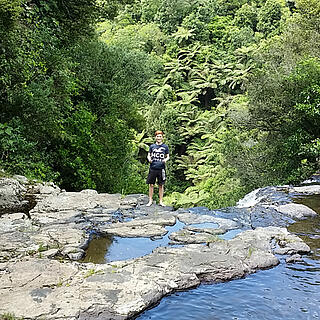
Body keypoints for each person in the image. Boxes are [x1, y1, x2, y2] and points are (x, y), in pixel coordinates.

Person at [146, 130, 169, 207]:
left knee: (161, 185)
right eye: (157, 136)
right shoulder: (152, 146)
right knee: (151, 184)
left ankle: (161, 201)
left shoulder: (165, 147)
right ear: (155, 137)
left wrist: (165, 160)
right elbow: (148, 155)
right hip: (153, 167)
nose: (159, 138)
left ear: (162, 138)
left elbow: (168, 156)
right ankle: (150, 200)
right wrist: (149, 159)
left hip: (161, 168)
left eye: (160, 136)